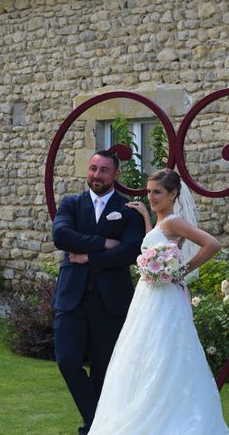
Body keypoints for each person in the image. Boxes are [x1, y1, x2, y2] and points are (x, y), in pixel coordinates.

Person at [89, 168, 229, 434]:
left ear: (173, 194)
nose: (151, 196)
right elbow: (154, 244)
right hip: (148, 296)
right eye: (149, 191)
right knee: (144, 352)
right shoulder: (162, 221)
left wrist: (181, 271)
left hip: (164, 298)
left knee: (164, 352)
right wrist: (146, 215)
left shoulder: (174, 221)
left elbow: (211, 243)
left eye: (157, 192)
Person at [51, 150, 147, 435]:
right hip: (72, 298)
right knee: (67, 361)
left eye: (104, 170)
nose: (97, 175)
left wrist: (88, 256)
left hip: (111, 302)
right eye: (93, 168)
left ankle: (92, 430)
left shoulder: (128, 209)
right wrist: (105, 243)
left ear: (115, 175)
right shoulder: (71, 203)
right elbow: (61, 237)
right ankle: (99, 425)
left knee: (104, 372)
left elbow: (130, 251)